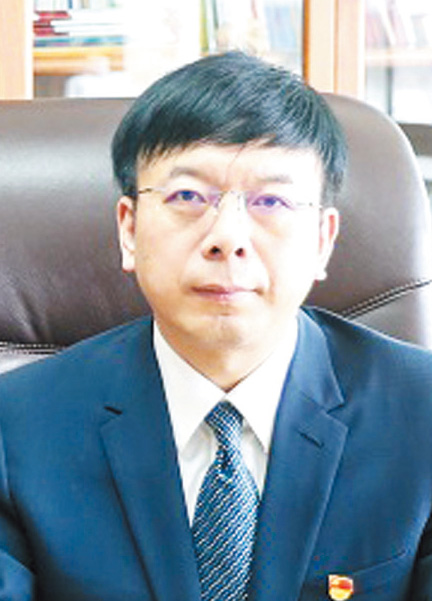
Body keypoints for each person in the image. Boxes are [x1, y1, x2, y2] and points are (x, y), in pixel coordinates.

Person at [0, 51, 431, 601]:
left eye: (271, 200)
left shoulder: (422, 414)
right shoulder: (16, 428)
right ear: (129, 229)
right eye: (187, 196)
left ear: (323, 240)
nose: (228, 237)